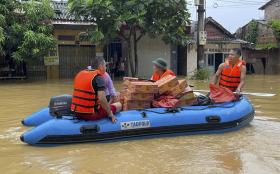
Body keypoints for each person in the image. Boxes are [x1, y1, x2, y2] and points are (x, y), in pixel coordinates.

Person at [71, 57, 122, 123]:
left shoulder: (80, 74)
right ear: (101, 67)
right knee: (119, 105)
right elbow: (101, 99)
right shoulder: (98, 78)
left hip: (76, 112)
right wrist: (110, 114)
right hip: (90, 114)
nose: (106, 68)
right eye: (105, 66)